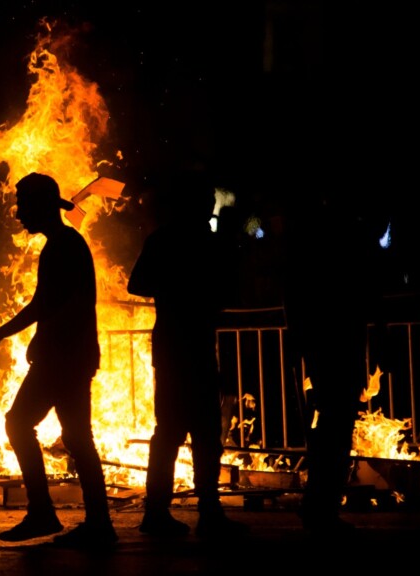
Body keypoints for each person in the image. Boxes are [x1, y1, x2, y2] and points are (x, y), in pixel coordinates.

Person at [0, 172, 118, 549]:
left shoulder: (62, 247)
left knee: (19, 423)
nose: (19, 214)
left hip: (62, 359)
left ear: (40, 207)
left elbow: (45, 305)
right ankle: (97, 522)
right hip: (71, 356)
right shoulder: (65, 243)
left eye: (23, 205)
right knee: (76, 437)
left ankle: (43, 512)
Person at [127, 169, 249, 539]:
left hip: (175, 344)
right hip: (190, 343)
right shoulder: (202, 243)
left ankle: (166, 511)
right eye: (205, 199)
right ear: (193, 204)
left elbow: (139, 283)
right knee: (198, 431)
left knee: (176, 431)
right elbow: (229, 291)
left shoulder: (163, 240)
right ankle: (200, 511)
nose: (209, 205)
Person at [281, 183, 390, 537]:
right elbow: (372, 298)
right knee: (335, 427)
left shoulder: (319, 239)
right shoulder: (349, 242)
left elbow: (295, 291)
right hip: (338, 343)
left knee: (331, 424)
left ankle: (318, 505)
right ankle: (319, 507)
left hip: (327, 343)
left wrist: (297, 335)